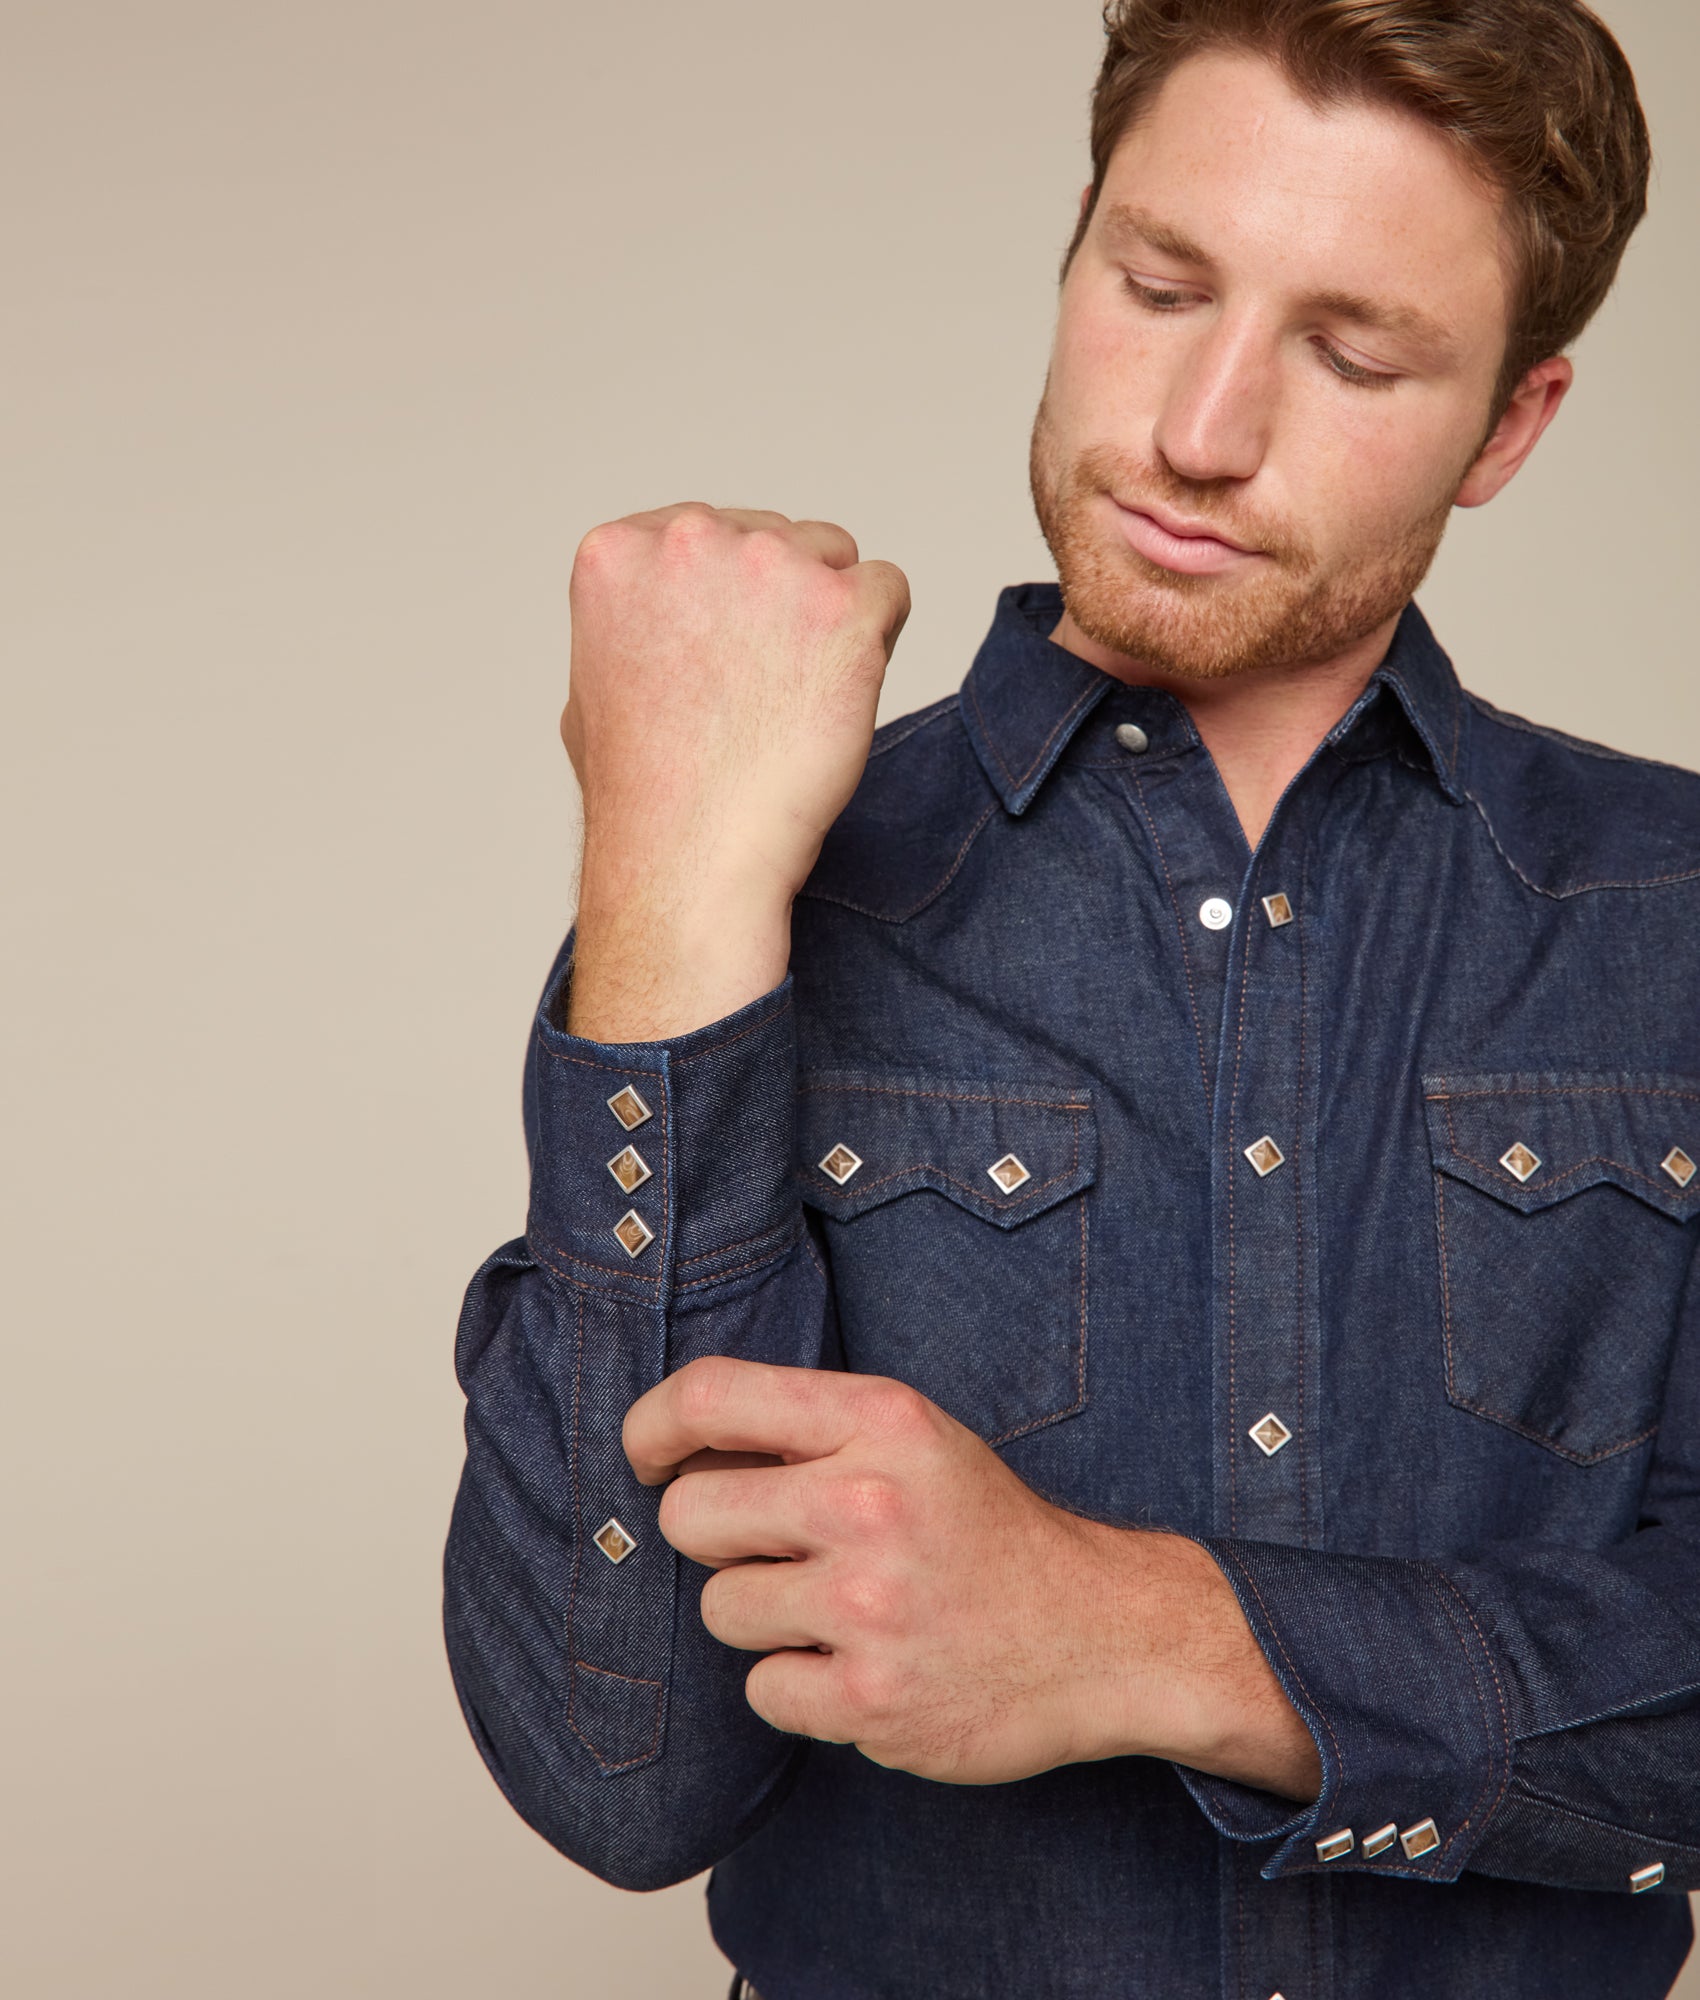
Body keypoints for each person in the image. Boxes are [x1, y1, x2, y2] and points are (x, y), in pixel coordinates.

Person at [441, 2, 1700, 1993]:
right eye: (1159, 285)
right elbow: (621, 1777)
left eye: (1351, 353)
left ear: (1509, 425)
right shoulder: (747, 886)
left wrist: (1137, 1633)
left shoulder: (1674, 912)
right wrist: (665, 887)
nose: (1201, 429)